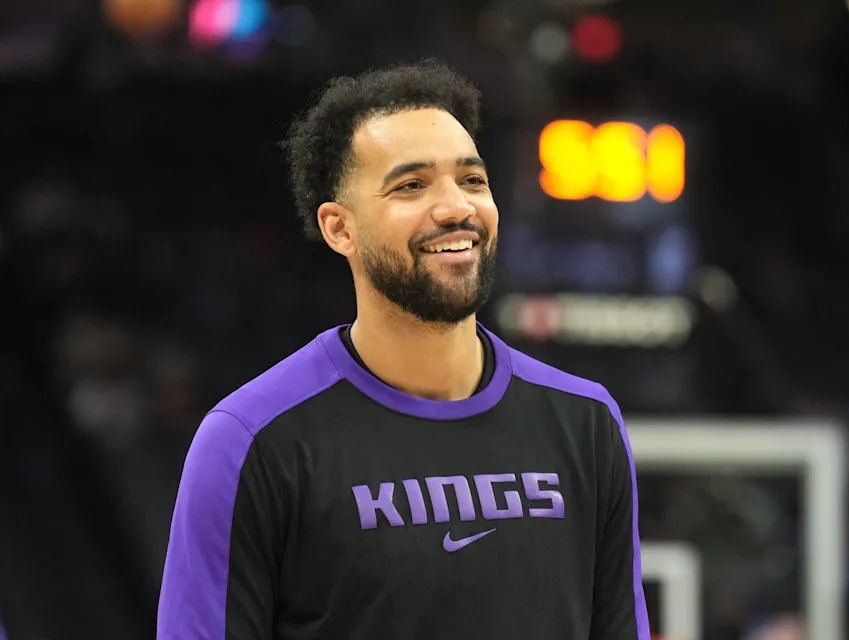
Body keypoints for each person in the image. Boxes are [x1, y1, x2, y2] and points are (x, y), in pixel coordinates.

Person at [157, 59, 650, 640]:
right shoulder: (252, 440)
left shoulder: (586, 422)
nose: (456, 207)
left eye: (472, 180)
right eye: (411, 185)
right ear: (339, 229)